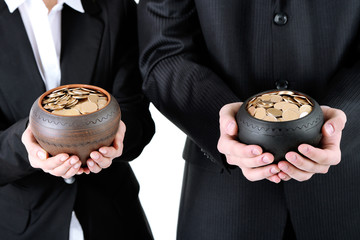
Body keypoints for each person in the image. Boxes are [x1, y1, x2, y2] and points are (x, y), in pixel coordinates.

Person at [137, 0, 359, 239]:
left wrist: (341, 117)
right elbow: (163, 50)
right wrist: (224, 122)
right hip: (221, 200)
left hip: (347, 192)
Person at [0, 0, 155, 239]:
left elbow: (138, 114)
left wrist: (118, 134)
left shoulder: (116, 7)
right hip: (20, 226)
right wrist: (27, 146)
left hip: (114, 220)